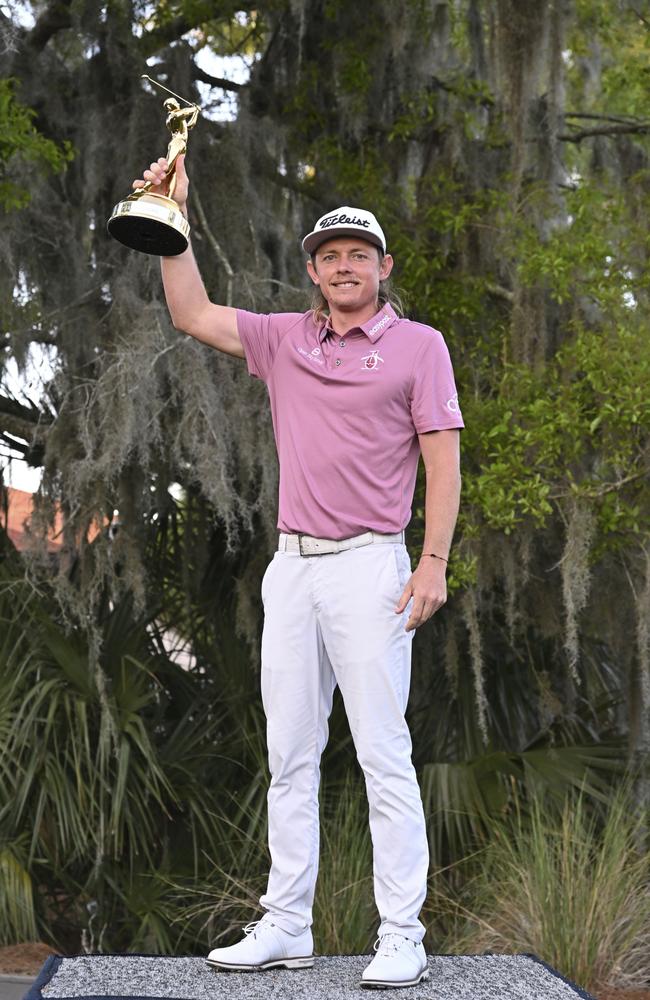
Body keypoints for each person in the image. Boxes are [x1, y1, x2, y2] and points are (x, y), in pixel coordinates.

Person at [132, 155, 464, 989]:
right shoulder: (286, 337)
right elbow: (192, 311)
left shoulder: (420, 347)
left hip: (373, 566)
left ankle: (402, 933)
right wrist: (173, 218)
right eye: (329, 256)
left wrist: (433, 561)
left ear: (383, 268)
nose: (343, 266)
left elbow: (443, 461)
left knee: (383, 754)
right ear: (312, 272)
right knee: (290, 753)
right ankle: (286, 924)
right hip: (293, 568)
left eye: (359, 254)